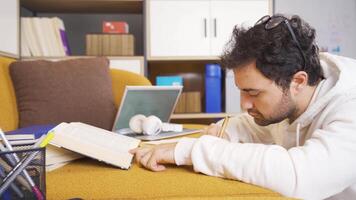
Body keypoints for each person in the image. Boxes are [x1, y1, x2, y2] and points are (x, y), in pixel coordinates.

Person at [130, 14, 356, 200]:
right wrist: (223, 132)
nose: (244, 104)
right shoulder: (291, 94)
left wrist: (191, 151)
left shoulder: (349, 104)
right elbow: (251, 125)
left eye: (253, 92)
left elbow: (302, 177)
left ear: (297, 82)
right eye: (241, 90)